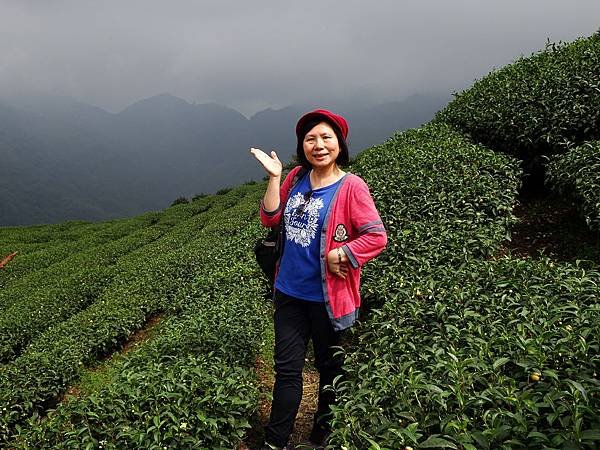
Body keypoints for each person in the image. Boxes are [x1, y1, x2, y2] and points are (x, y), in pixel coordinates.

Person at [250, 109, 387, 449]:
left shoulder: (352, 187)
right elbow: (269, 218)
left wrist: (342, 254)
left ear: (340, 144)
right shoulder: (295, 177)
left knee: (329, 370)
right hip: (289, 292)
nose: (319, 145)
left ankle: (322, 435)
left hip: (329, 298)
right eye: (311, 139)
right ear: (303, 146)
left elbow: (376, 236)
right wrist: (273, 178)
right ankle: (276, 441)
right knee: (287, 370)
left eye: (326, 137)